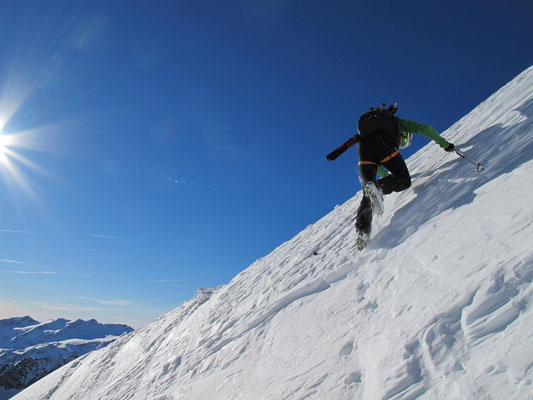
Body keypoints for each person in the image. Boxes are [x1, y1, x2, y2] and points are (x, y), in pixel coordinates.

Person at [353, 104, 455, 249]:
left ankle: (362, 233)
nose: (402, 143)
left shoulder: (370, 130)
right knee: (404, 181)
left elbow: (380, 169)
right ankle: (378, 187)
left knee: (368, 193)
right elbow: (424, 128)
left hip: (363, 149)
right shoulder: (398, 123)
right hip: (383, 145)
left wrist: (384, 180)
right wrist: (445, 144)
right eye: (404, 141)